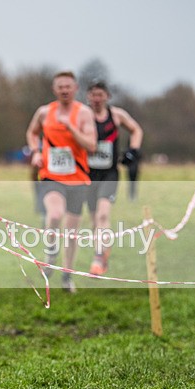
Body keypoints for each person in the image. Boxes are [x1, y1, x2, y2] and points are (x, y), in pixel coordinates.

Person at [26, 71, 97, 293]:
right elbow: (31, 133)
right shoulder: (45, 112)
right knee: (55, 215)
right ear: (54, 89)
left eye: (68, 86)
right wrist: (35, 151)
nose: (64, 90)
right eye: (60, 87)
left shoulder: (83, 113)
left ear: (76, 88)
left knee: (72, 231)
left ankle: (67, 275)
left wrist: (71, 128)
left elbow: (92, 145)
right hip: (50, 176)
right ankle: (50, 254)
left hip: (77, 178)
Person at [86, 80, 143, 275]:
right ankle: (102, 248)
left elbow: (136, 130)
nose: (96, 99)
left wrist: (133, 151)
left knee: (103, 214)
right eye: (93, 94)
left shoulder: (116, 115)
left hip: (109, 172)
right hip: (88, 173)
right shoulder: (82, 115)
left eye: (100, 94)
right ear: (88, 96)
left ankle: (98, 258)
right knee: (94, 219)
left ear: (107, 96)